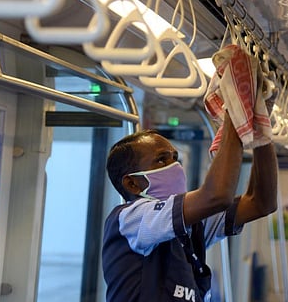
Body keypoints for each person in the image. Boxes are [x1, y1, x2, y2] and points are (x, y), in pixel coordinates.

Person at [103, 111, 278, 302]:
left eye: (174, 157)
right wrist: (235, 112)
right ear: (132, 184)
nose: (175, 165)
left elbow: (260, 202)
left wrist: (261, 127)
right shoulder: (131, 219)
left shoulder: (189, 225)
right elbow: (217, 196)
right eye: (162, 159)